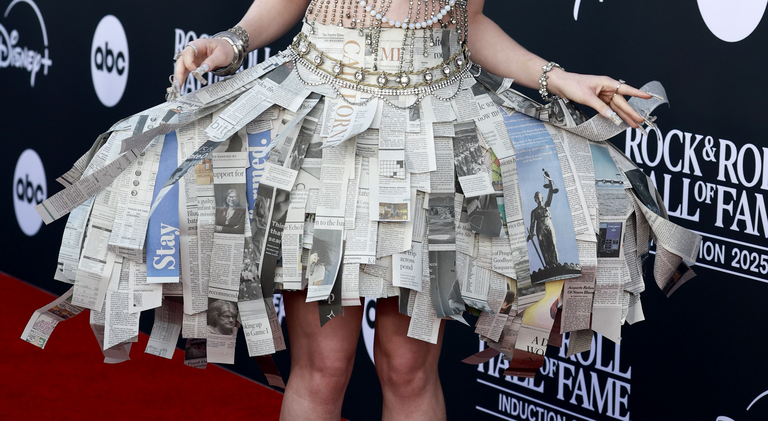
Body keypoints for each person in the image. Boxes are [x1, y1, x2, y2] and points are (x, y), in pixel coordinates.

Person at [169, 0, 652, 421]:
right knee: (323, 368)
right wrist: (234, 41)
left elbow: (470, 19)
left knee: (408, 370)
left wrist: (557, 78)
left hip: (429, 141)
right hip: (329, 130)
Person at [527, 171, 559, 268]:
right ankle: (548, 265)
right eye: (536, 197)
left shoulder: (547, 205)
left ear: (542, 197)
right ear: (535, 200)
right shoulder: (534, 212)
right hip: (540, 228)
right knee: (543, 246)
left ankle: (556, 264)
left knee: (552, 244)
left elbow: (551, 193)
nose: (538, 198)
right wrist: (531, 234)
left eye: (539, 196)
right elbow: (532, 224)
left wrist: (549, 180)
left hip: (548, 224)